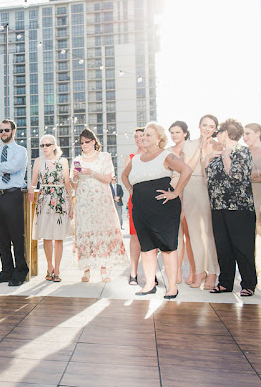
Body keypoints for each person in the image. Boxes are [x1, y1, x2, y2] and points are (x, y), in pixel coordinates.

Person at [123, 123, 192, 299]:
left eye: (148, 135)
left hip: (164, 208)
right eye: (143, 135)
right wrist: (131, 190)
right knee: (147, 247)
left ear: (159, 139)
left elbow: (186, 170)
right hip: (140, 208)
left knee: (168, 248)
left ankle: (172, 287)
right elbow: (124, 175)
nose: (143, 138)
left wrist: (175, 193)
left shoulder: (166, 155)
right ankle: (148, 285)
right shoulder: (136, 159)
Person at [205, 119, 257, 297]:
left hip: (239, 208)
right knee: (223, 246)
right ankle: (225, 282)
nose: (216, 135)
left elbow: (235, 177)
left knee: (243, 247)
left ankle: (249, 283)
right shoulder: (217, 154)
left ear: (225, 133)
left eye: (218, 132)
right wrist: (207, 160)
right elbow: (209, 182)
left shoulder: (242, 152)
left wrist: (226, 156)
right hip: (218, 207)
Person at [72, 128, 126, 282]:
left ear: (94, 141)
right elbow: (74, 186)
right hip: (83, 203)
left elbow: (108, 179)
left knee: (102, 232)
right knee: (86, 233)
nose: (84, 145)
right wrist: (75, 177)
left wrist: (91, 172)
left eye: (87, 142)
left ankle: (104, 270)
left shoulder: (104, 157)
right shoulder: (77, 160)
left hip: (101, 201)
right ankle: (86, 270)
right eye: (82, 142)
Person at [0, 119, 29, 286]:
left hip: (12, 196)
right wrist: (2, 166)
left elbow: (14, 167)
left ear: (13, 131)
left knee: (17, 236)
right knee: (1, 237)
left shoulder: (20, 151)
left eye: (6, 130)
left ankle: (21, 270)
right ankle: (7, 271)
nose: (3, 133)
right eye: (1, 130)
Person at [28, 135, 72, 282]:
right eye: (42, 145)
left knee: (58, 237)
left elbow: (67, 183)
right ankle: (49, 266)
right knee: (46, 236)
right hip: (44, 200)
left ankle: (57, 269)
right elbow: (34, 182)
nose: (44, 148)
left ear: (54, 146)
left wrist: (71, 204)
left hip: (60, 200)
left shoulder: (63, 161)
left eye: (47, 145)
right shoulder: (38, 162)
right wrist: (30, 189)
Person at [183, 114, 220, 289]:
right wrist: (199, 147)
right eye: (204, 125)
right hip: (191, 186)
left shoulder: (218, 145)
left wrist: (208, 148)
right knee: (194, 233)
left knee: (210, 232)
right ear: (199, 126)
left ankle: (212, 272)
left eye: (211, 126)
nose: (207, 129)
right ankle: (199, 272)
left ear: (215, 129)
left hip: (210, 188)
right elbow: (188, 168)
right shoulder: (189, 144)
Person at [168, 121, 196, 285]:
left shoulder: (191, 148)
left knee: (189, 234)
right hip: (172, 193)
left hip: (190, 190)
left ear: (185, 133)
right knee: (176, 235)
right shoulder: (167, 152)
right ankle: (177, 272)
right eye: (172, 132)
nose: (174, 135)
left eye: (177, 132)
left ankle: (194, 271)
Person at [124, 127, 145, 285]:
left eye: (142, 135)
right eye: (136, 136)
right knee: (135, 236)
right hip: (135, 200)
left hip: (153, 200)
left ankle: (151, 273)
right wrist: (132, 191)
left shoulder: (155, 155)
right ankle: (133, 272)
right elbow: (125, 177)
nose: (139, 138)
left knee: (150, 236)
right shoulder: (130, 157)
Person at [242, 122, 261, 276]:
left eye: (248, 133)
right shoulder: (243, 152)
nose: (245, 137)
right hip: (246, 198)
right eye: (243, 134)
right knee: (248, 238)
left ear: (258, 133)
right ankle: (251, 274)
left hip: (259, 195)